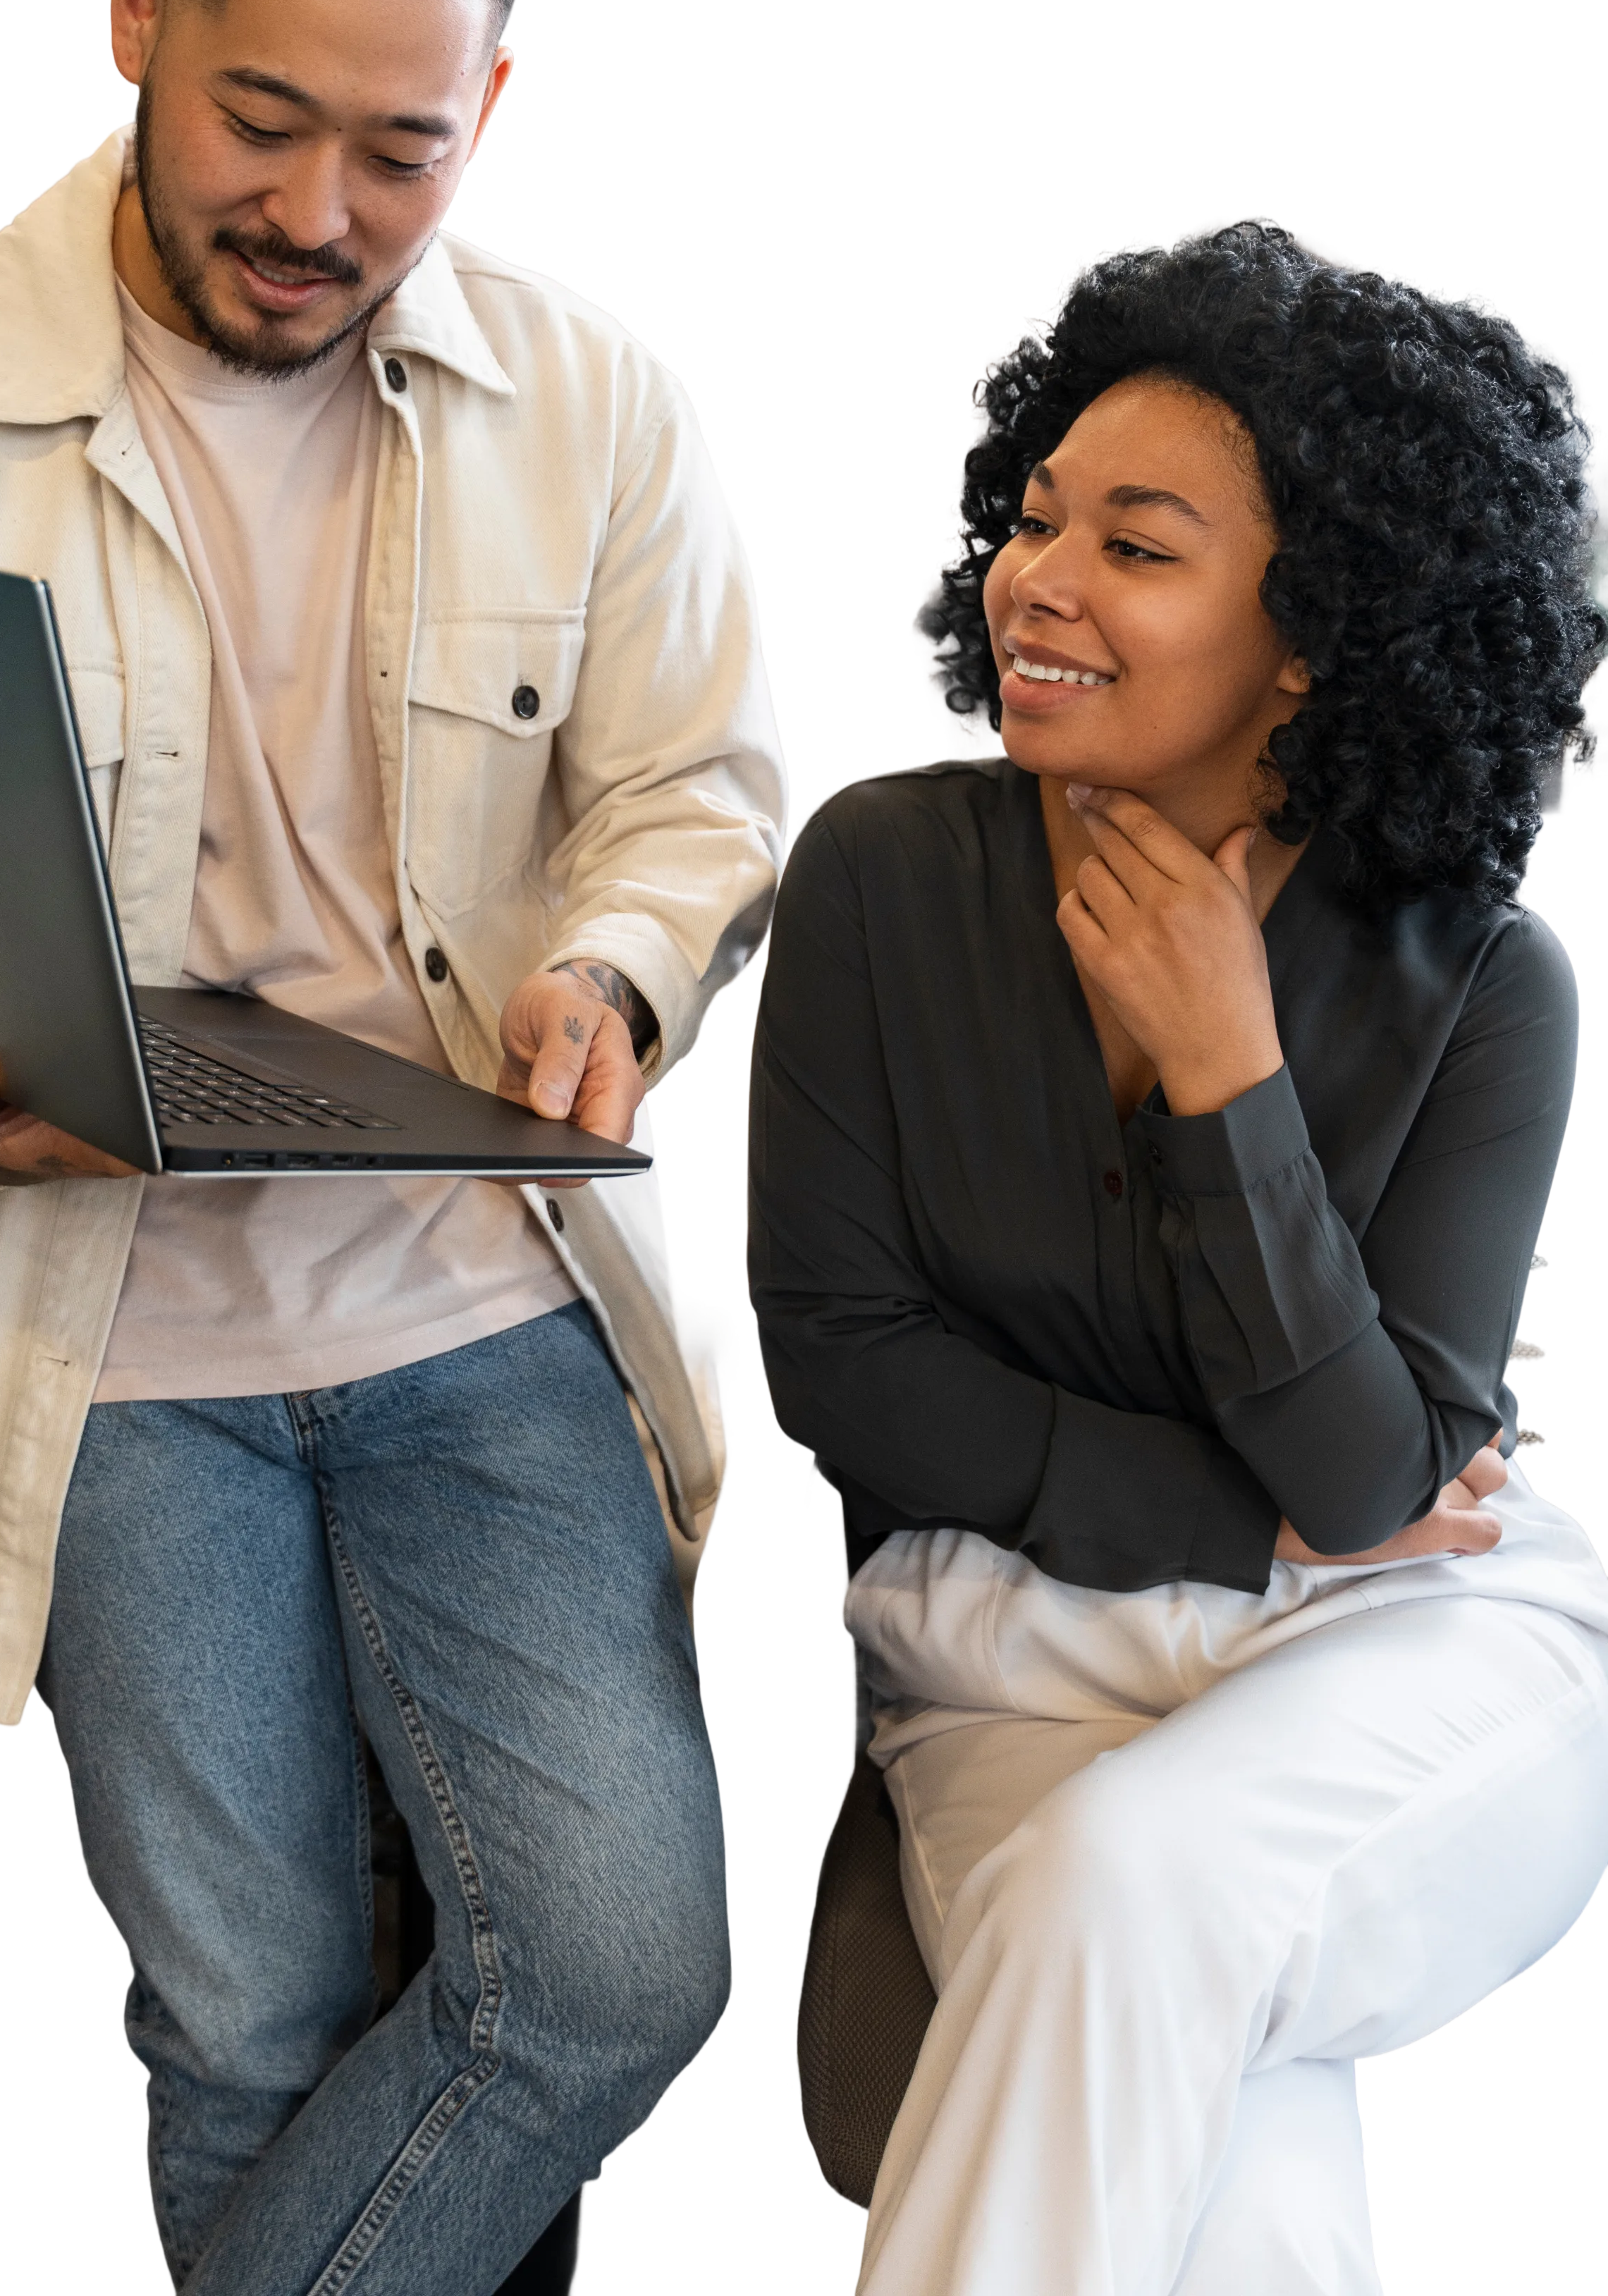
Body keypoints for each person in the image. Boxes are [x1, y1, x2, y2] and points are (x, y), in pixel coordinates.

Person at [0, 0, 787, 2293]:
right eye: (259, 121)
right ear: (140, 15)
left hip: (484, 1292)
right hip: (106, 1347)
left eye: (398, 155)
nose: (316, 215)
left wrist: (613, 965)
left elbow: (704, 794)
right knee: (244, 2031)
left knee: (619, 1980)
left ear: (489, 105)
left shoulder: (600, 399)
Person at [748, 224, 1607, 2294]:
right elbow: (845, 1368)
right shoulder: (881, 875)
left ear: (1309, 634)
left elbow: (1370, 1483)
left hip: (1406, 1665)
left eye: (1137, 547)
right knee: (1245, 2218)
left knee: (1127, 1892)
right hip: (1009, 1654)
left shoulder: (1486, 982)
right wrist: (1262, 1524)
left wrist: (1230, 1074)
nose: (1036, 582)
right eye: (1034, 522)